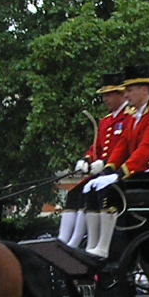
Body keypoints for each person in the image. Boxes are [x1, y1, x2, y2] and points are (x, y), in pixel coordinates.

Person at [82, 64, 149, 258]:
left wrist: (119, 175)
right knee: (93, 190)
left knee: (111, 191)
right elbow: (122, 146)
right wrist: (108, 170)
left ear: (144, 90)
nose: (126, 95)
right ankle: (93, 243)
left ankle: (105, 247)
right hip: (143, 172)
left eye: (130, 90)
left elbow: (146, 150)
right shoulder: (133, 115)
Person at [57, 73, 129, 250]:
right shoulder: (106, 121)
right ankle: (65, 239)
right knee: (74, 189)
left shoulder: (129, 117)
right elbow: (96, 147)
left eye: (109, 94)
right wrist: (87, 160)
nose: (105, 99)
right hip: (102, 170)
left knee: (88, 190)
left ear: (121, 94)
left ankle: (78, 240)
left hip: (119, 173)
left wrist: (104, 165)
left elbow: (126, 149)